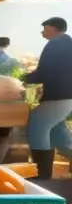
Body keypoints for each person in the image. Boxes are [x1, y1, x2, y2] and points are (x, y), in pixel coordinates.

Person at [23, 17, 72, 179]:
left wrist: (25, 79)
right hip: (67, 97)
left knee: (37, 129)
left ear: (53, 28)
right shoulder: (67, 43)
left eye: (44, 29)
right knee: (59, 134)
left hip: (56, 96)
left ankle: (42, 175)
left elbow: (45, 71)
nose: (42, 33)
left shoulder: (55, 44)